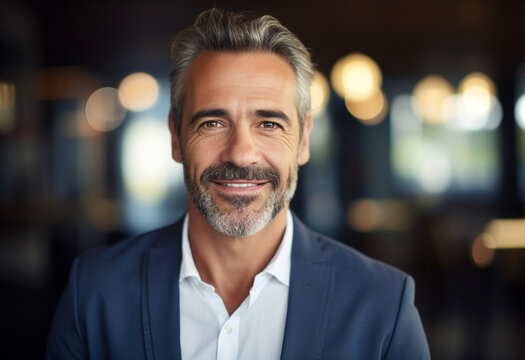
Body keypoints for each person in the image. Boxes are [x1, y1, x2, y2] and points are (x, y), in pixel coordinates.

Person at [46, 8, 430, 360]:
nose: (241, 154)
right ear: (176, 138)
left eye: (269, 124)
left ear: (304, 140)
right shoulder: (93, 294)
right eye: (212, 123)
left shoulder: (384, 305)